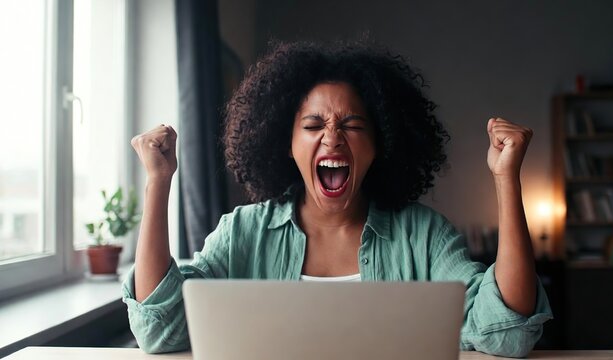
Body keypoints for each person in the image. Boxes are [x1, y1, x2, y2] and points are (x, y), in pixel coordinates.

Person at [123, 40, 552, 357]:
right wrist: (158, 184)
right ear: (285, 144)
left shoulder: (424, 236)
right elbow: (162, 329)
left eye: (352, 125)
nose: (333, 137)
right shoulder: (242, 233)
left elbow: (506, 331)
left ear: (379, 143)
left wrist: (505, 179)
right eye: (313, 125)